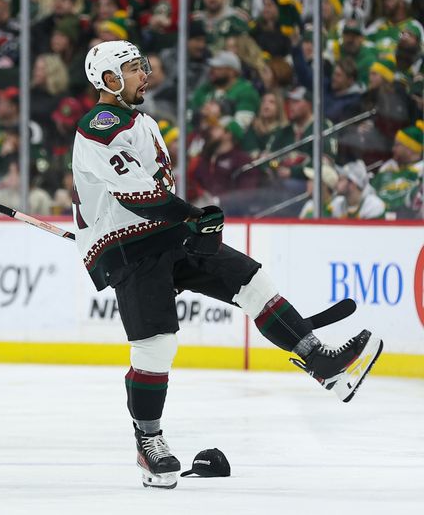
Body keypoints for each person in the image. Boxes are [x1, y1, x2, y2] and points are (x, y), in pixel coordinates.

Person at [71, 40, 383, 489]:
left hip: (164, 233)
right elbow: (136, 197)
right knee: (157, 347)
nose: (146, 75)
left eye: (143, 66)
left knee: (252, 281)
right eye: (134, 69)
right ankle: (149, 441)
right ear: (109, 79)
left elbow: (152, 198)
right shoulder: (99, 125)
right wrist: (193, 216)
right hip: (128, 246)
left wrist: (189, 222)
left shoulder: (140, 122)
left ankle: (322, 363)